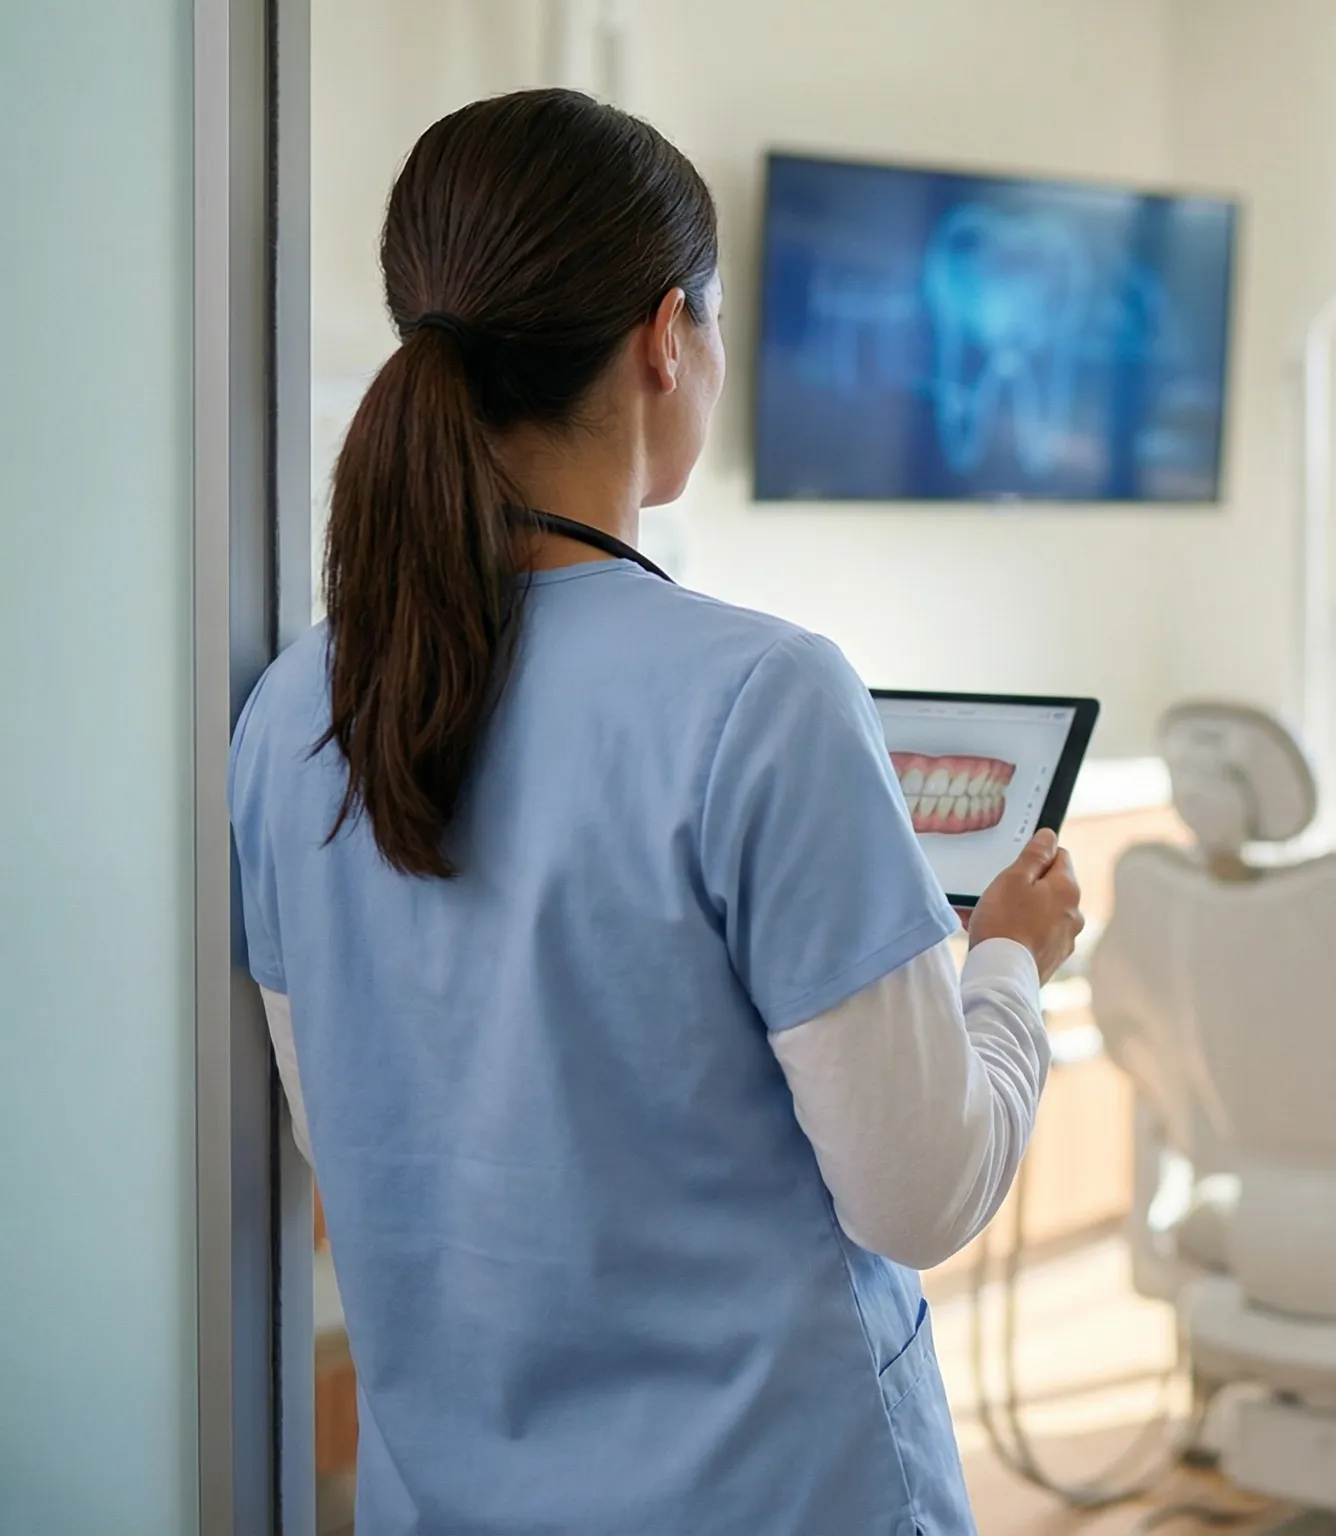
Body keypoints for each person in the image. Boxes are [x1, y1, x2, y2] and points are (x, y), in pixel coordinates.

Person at [228, 89, 1081, 1534]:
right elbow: (920, 1194)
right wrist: (1005, 963)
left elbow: (348, 1128)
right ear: (665, 336)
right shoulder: (764, 696)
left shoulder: (293, 709)